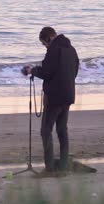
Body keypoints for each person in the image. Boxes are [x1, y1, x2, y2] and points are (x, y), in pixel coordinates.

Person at [21, 26, 79, 175]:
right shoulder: (71, 50)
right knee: (62, 130)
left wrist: (32, 70)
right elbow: (75, 71)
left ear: (48, 38)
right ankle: (63, 165)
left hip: (54, 97)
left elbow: (46, 72)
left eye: (44, 43)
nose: (45, 47)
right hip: (68, 95)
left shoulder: (53, 50)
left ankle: (50, 167)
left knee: (46, 131)